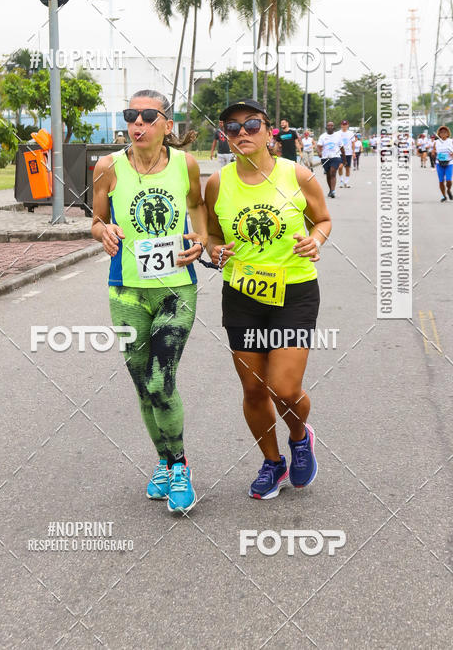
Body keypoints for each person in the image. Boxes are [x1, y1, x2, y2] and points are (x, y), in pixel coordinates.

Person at [204, 99, 332, 499]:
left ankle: (299, 436)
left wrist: (315, 240)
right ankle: (273, 463)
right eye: (233, 127)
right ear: (225, 135)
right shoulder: (218, 183)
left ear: (268, 130)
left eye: (252, 124)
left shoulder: (297, 175)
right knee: (255, 389)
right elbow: (211, 234)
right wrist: (214, 250)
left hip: (294, 291)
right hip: (242, 293)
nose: (243, 132)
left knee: (284, 387)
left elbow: (323, 220)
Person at [92, 90, 207, 513]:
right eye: (130, 116)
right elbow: (97, 219)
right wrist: (102, 232)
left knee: (161, 379)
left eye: (147, 116)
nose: (137, 124)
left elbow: (196, 206)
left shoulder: (186, 164)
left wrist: (202, 239)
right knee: (142, 385)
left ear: (167, 125)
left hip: (176, 288)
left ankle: (180, 466)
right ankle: (163, 461)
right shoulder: (108, 167)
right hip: (125, 288)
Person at [317, 122, 344, 198]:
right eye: (328, 126)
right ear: (326, 127)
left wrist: (344, 159)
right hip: (325, 157)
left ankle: (333, 191)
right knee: (328, 175)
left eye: (332, 125)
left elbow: (342, 147)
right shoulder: (322, 136)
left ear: (334, 127)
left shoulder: (338, 136)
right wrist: (319, 152)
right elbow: (319, 146)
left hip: (335, 157)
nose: (330, 127)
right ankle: (330, 190)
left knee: (333, 173)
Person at [434, 124, 453, 201]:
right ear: (439, 134)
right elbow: (433, 151)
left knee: (448, 180)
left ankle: (448, 190)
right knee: (441, 181)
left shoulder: (451, 141)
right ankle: (444, 196)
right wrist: (433, 153)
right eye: (441, 132)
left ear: (448, 133)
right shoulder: (436, 142)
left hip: (449, 163)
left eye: (445, 132)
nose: (443, 133)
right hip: (439, 163)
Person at [337, 120, 354, 188]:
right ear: (341, 125)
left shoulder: (351, 133)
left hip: (348, 153)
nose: (344, 126)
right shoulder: (337, 133)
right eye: (343, 125)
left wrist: (353, 152)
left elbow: (353, 143)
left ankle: (346, 182)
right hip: (340, 153)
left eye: (345, 125)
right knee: (340, 167)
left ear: (347, 125)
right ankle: (341, 181)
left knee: (347, 168)